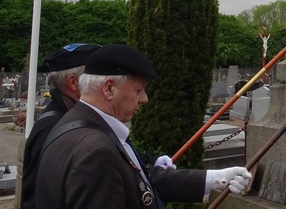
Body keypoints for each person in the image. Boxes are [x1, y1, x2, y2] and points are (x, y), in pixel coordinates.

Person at [36, 44, 252, 209]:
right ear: (109, 89)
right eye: (138, 90)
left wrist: (216, 179)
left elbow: (136, 180)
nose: (144, 99)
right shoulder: (96, 151)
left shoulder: (72, 125)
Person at [21, 43, 101, 209]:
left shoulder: (71, 118)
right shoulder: (53, 129)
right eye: (97, 78)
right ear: (73, 82)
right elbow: (38, 199)